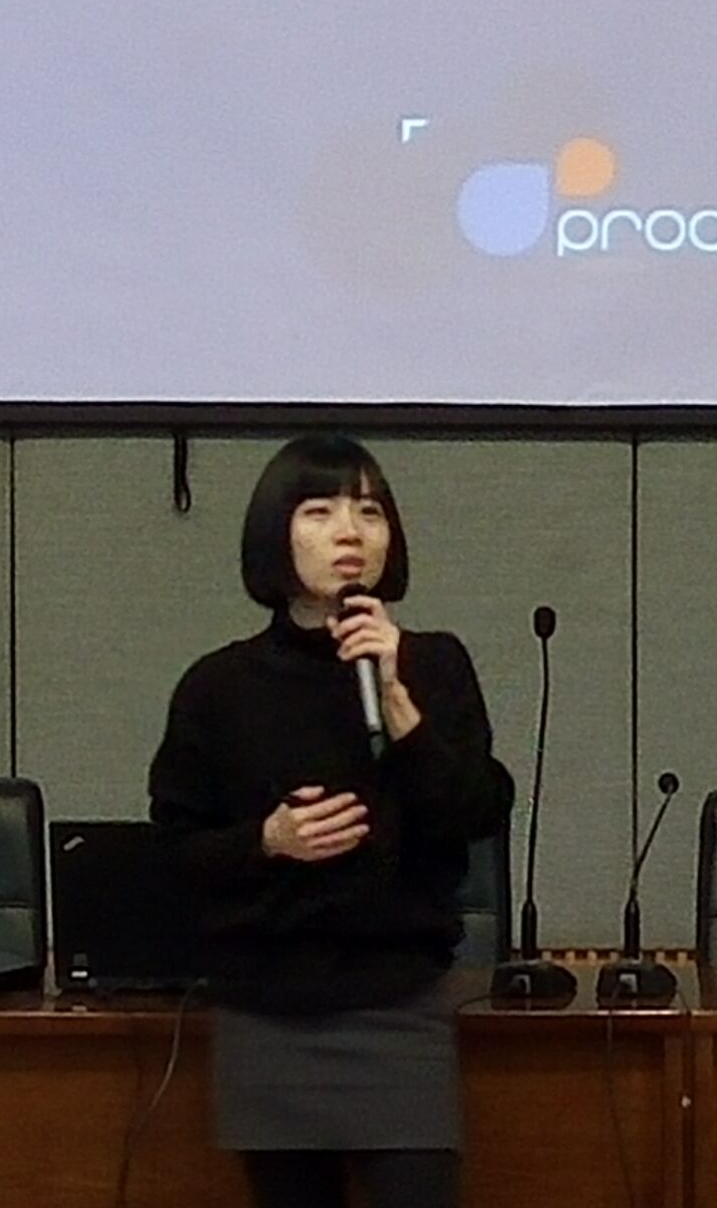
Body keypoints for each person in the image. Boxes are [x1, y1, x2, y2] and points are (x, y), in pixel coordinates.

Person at [148, 433, 515, 1208]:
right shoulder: (219, 687)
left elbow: (475, 812)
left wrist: (402, 709)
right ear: (275, 533)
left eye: (370, 511)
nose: (351, 531)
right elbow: (175, 852)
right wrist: (269, 841)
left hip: (398, 1006)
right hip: (266, 1012)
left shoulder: (434, 665)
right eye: (320, 511)